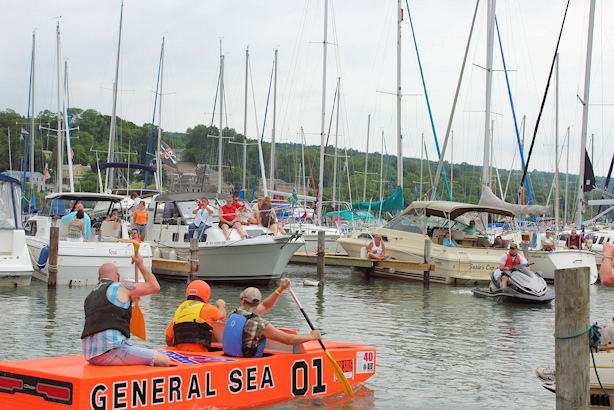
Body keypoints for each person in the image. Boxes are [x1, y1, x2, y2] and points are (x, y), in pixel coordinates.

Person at [81, 254, 170, 367]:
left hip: (90, 355)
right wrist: (140, 264)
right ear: (118, 277)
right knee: (163, 360)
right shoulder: (121, 287)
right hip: (112, 351)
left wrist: (129, 301)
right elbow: (154, 286)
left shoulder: (90, 296)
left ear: (99, 279)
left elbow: (107, 314)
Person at [222, 285, 321, 358]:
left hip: (231, 357)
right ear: (258, 302)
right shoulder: (260, 324)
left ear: (243, 301)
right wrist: (312, 336)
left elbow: (265, 306)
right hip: (249, 362)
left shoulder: (234, 313)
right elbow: (288, 339)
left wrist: (280, 289)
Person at [165, 280, 226, 352]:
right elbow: (222, 314)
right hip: (200, 354)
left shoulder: (180, 310)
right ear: (206, 294)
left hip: (180, 353)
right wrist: (220, 305)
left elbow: (168, 338)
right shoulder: (207, 308)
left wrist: (174, 348)